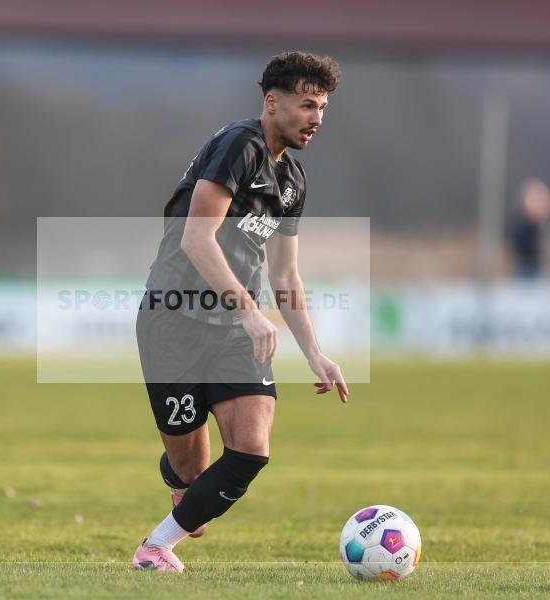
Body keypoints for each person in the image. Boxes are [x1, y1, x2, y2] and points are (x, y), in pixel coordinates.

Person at [133, 51, 349, 572]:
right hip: (173, 321)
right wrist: (253, 311)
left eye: (322, 107)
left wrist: (315, 354)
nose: (317, 117)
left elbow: (285, 276)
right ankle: (179, 481)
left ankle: (154, 547)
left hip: (231, 330)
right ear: (272, 103)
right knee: (193, 476)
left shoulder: (292, 180)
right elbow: (196, 239)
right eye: (307, 104)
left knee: (251, 450)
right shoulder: (239, 145)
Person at [507, 178, 550, 281]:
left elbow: (544, 251)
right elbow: (518, 247)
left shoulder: (543, 226)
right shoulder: (519, 225)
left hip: (538, 270)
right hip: (522, 269)